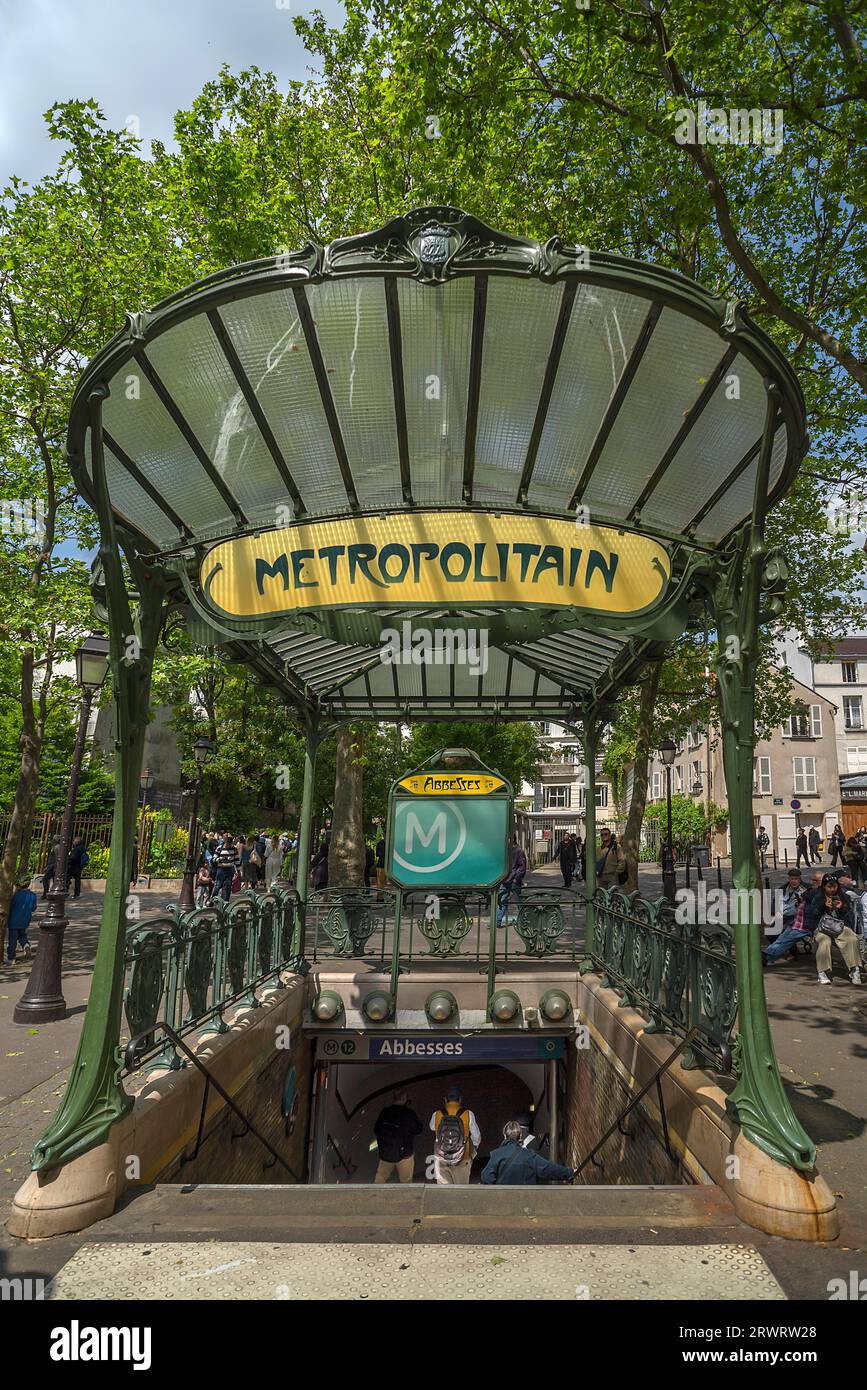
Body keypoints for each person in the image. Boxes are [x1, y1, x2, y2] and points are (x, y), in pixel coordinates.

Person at [803, 872, 862, 985]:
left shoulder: (843, 896)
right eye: (829, 887)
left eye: (834, 886)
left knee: (851, 939)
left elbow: (849, 916)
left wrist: (842, 907)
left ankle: (855, 969)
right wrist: (823, 906)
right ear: (824, 886)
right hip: (822, 927)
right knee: (824, 941)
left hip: (839, 926)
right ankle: (822, 971)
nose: (832, 890)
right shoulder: (817, 896)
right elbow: (813, 914)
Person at [481, 1120, 575, 1185]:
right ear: (520, 1136)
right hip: (525, 1201)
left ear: (505, 1136)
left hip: (504, 1201)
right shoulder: (529, 1155)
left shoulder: (496, 1154)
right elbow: (548, 1169)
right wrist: (569, 1172)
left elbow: (486, 1177)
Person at [430, 1086, 481, 1184]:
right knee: (460, 1192)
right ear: (460, 1099)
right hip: (462, 1157)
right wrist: (473, 1149)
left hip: (441, 1157)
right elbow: (477, 1137)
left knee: (444, 1193)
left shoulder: (436, 1114)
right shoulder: (468, 1114)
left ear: (445, 1099)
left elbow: (432, 1127)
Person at [373, 1089, 423, 1183]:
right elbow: (418, 1129)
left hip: (386, 1153)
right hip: (405, 1155)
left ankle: (375, 1195)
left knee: (380, 1178)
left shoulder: (385, 1112)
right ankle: (405, 1197)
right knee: (406, 1181)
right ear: (404, 1098)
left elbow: (376, 1130)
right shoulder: (409, 1114)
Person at [762, 870, 810, 966]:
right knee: (770, 933)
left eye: (796, 879)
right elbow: (774, 903)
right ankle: (783, 950)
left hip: (796, 917)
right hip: (782, 916)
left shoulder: (806, 889)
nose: (794, 881)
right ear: (789, 879)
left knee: (785, 932)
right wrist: (776, 912)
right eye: (792, 879)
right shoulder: (783, 889)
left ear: (800, 879)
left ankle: (787, 952)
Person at [4, 876, 37, 966]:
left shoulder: (15, 895)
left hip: (14, 920)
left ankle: (11, 958)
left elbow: (9, 907)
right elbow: (33, 908)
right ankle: (25, 945)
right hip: (25, 919)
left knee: (12, 940)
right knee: (22, 934)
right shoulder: (33, 895)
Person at [497, 834, 527, 925]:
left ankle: (524, 920)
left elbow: (522, 867)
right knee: (502, 900)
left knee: (518, 901)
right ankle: (498, 920)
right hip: (505, 879)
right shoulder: (504, 850)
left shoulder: (518, 851)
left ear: (512, 839)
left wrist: (516, 878)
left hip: (514, 880)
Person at [212, 834, 239, 901]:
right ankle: (213, 899)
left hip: (230, 869)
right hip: (221, 869)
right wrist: (220, 859)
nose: (229, 845)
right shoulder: (219, 848)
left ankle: (225, 901)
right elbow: (214, 858)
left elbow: (237, 860)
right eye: (228, 843)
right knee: (218, 885)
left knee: (227, 886)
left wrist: (238, 871)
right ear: (225, 842)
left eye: (230, 843)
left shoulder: (234, 849)